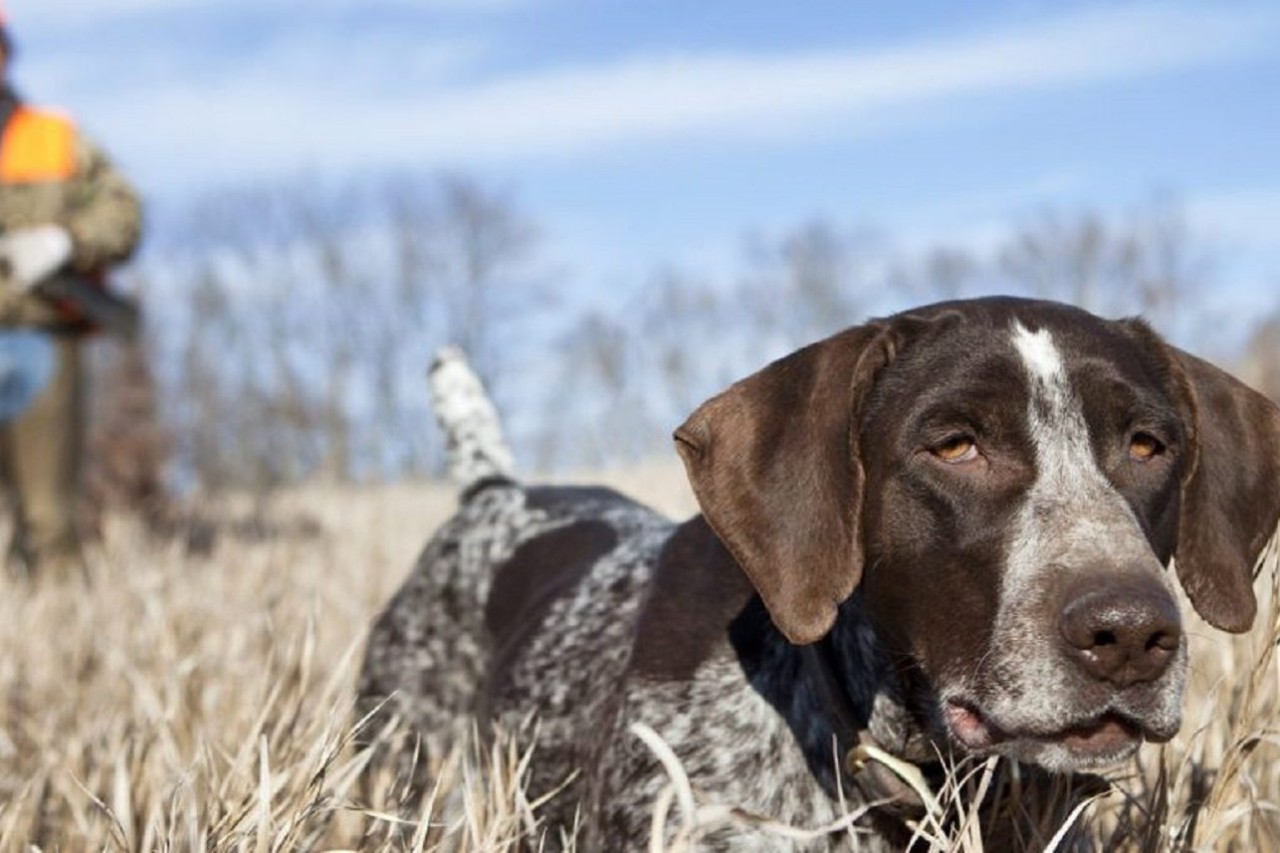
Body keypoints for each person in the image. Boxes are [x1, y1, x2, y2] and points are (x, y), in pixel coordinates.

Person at [0, 9, 142, 580]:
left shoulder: (55, 137)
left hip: (41, 337)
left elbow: (124, 213)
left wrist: (67, 240)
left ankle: (61, 637)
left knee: (49, 518)